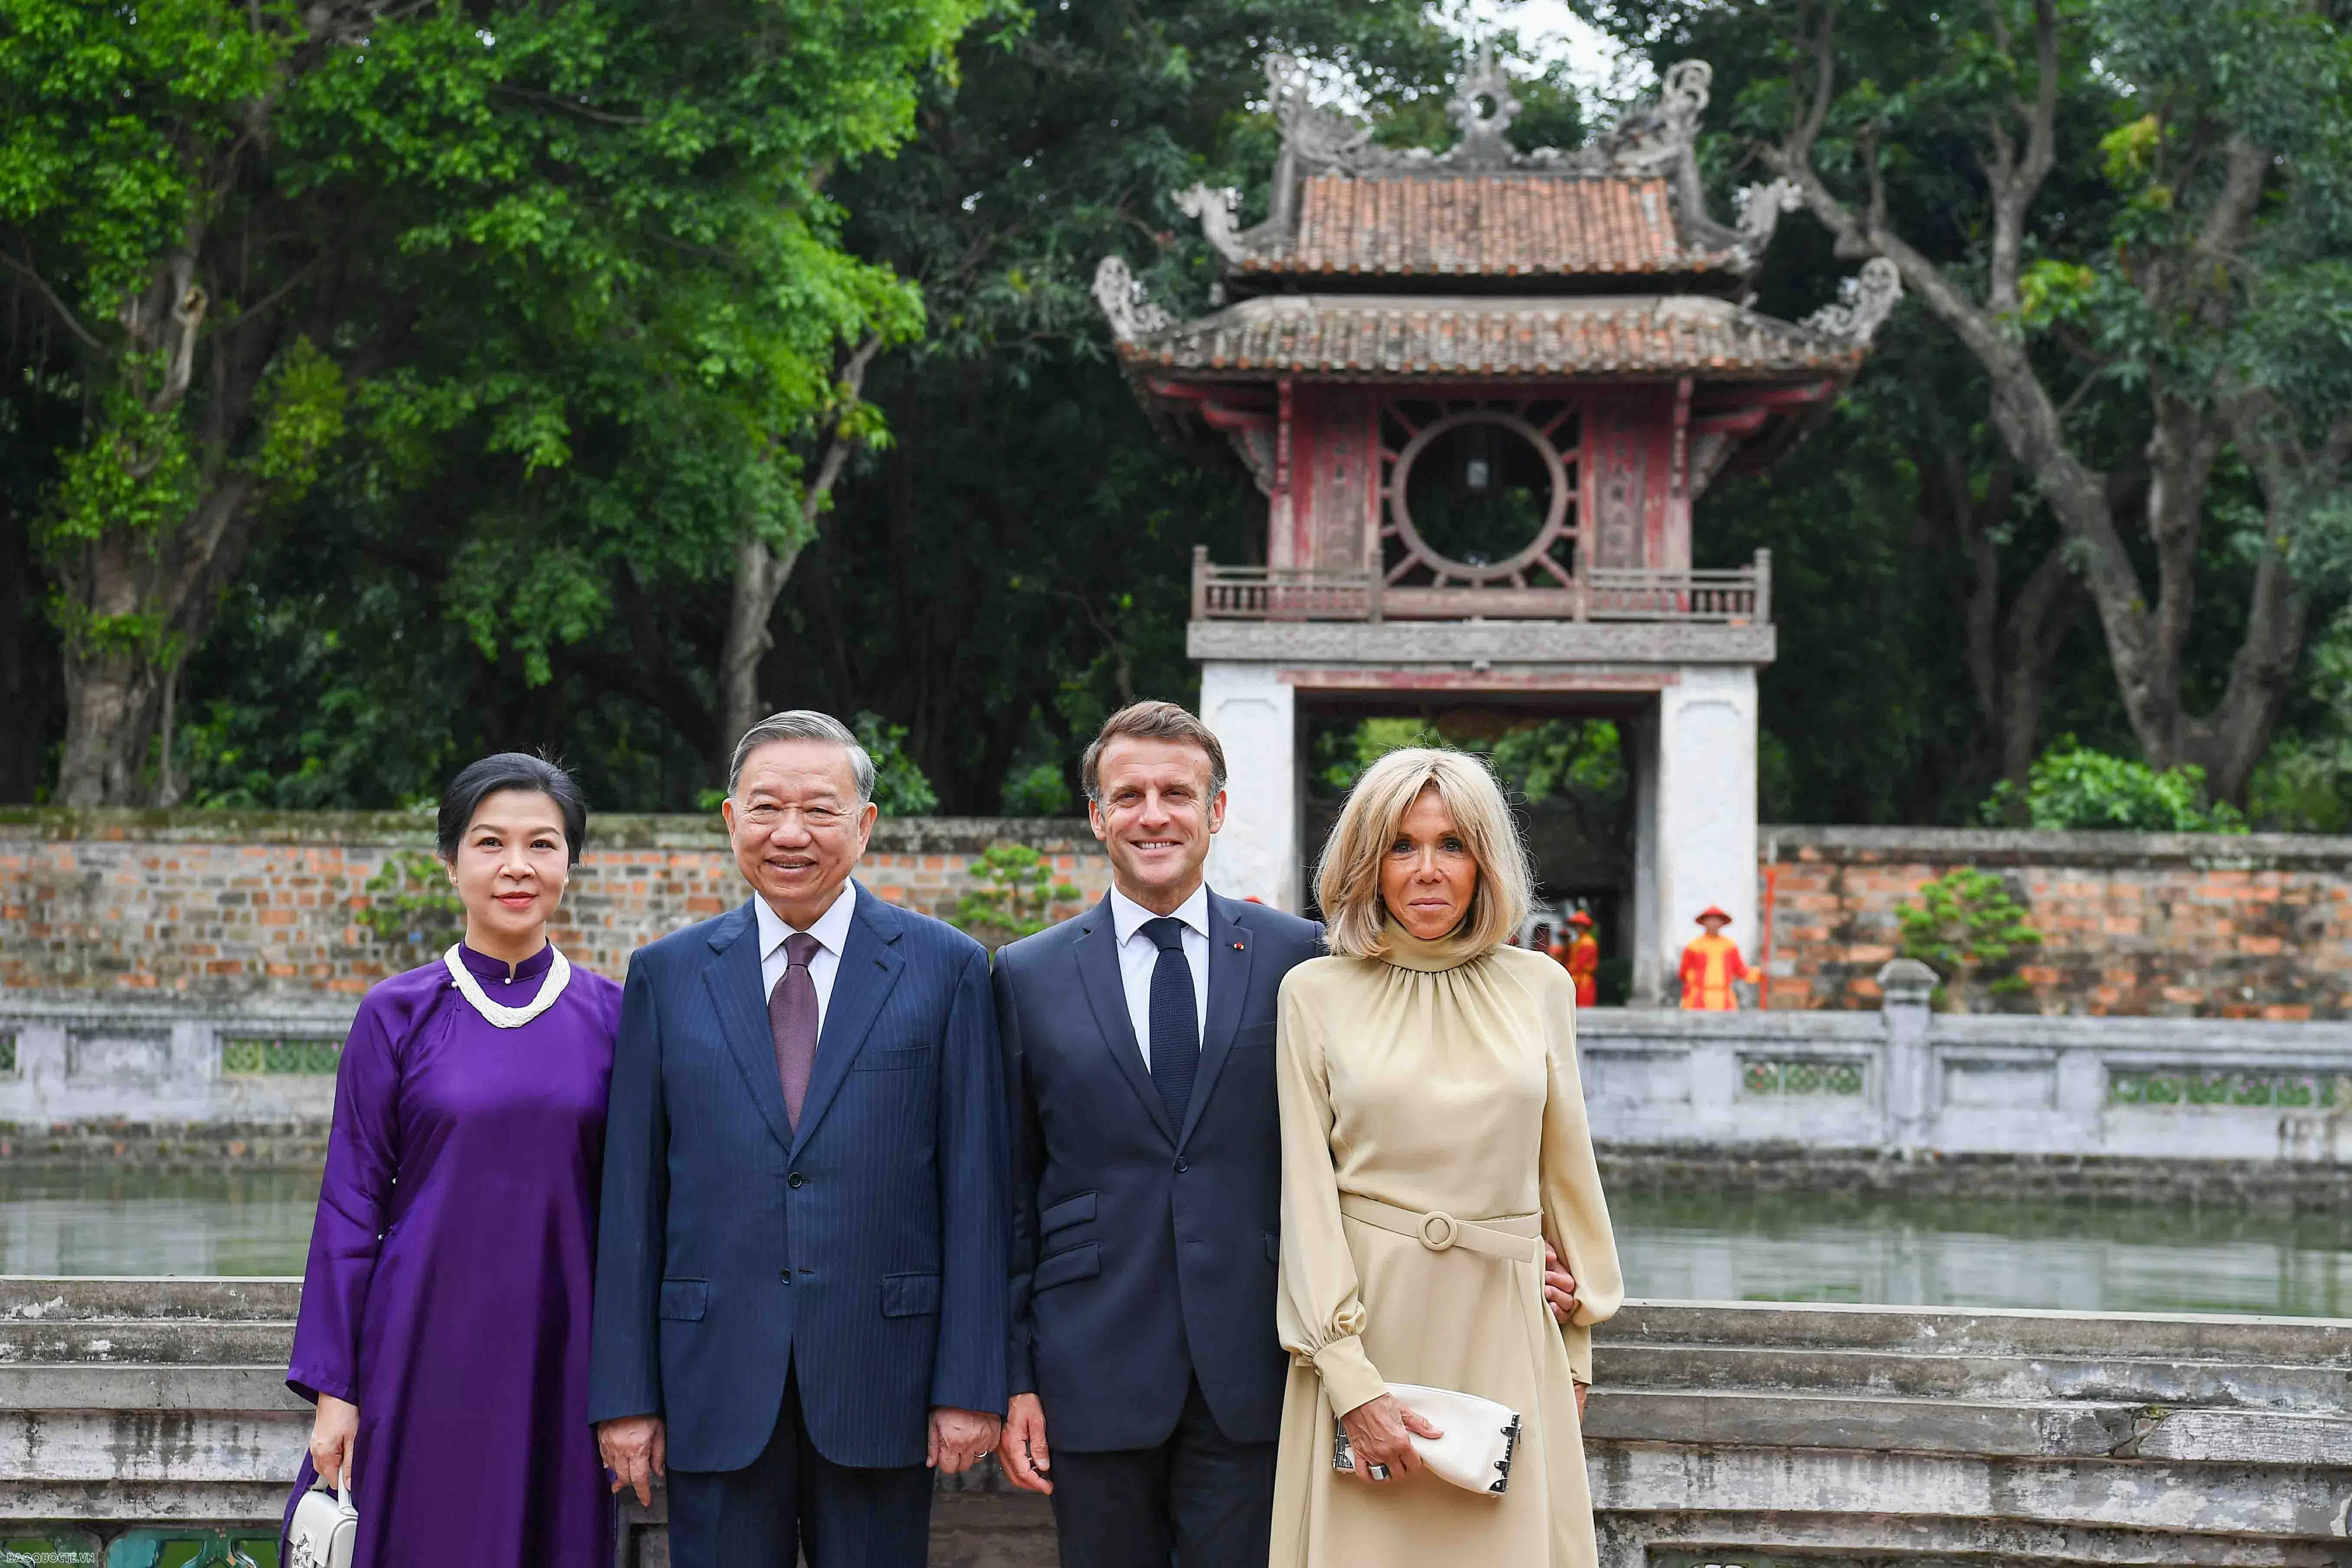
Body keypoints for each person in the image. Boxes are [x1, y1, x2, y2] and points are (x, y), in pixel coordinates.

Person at [588, 710, 1007, 1568]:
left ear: (865, 824)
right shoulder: (667, 974)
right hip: (712, 1378)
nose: (791, 832)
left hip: (883, 1373)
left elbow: (976, 1188)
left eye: (819, 809)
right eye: (767, 806)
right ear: (730, 818)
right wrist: (625, 1395)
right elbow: (632, 1196)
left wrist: (969, 1383)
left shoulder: (947, 966)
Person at [1270, 747, 1623, 1568]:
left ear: (1485, 861)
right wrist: (1351, 1381)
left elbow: (1566, 1177)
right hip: (1365, 1338)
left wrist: (1577, 1346)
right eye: (1402, 845)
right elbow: (1307, 1197)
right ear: (1369, 860)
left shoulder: (1541, 986)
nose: (1428, 870)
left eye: (1452, 844)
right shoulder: (1314, 993)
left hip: (1510, 1330)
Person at [991, 701, 1323, 1568]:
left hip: (1260, 1359)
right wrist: (1015, 1374)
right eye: (1127, 793)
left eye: (1177, 791)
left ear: (1215, 809)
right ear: (1097, 815)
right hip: (1088, 1361)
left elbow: (1363, 1147)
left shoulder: (1303, 960)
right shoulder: (1025, 974)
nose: (1153, 814)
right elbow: (1008, 1193)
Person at [284, 753, 622, 1567]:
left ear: (570, 862)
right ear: (451, 861)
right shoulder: (395, 1013)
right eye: (489, 842)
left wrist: (632, 1392)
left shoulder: (617, 1016)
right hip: (417, 1345)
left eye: (542, 844)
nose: (517, 866)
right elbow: (350, 1202)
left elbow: (637, 1211)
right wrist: (337, 1389)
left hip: (563, 1350)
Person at [1678, 905, 1748, 1011]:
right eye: (1710, 920)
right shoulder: (1694, 946)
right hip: (1698, 999)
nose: (1714, 923)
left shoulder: (1729, 946)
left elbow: (1741, 971)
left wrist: (1761, 973)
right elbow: (1683, 973)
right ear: (1704, 922)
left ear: (1722, 923)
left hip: (1724, 998)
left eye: (1717, 920)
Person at [1563, 911, 1601, 1008]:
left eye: (1580, 926)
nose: (1578, 929)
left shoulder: (1587, 942)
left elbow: (1580, 963)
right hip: (1577, 978)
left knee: (1583, 1008)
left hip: (1583, 980)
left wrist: (1571, 974)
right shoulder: (1578, 942)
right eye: (1577, 926)